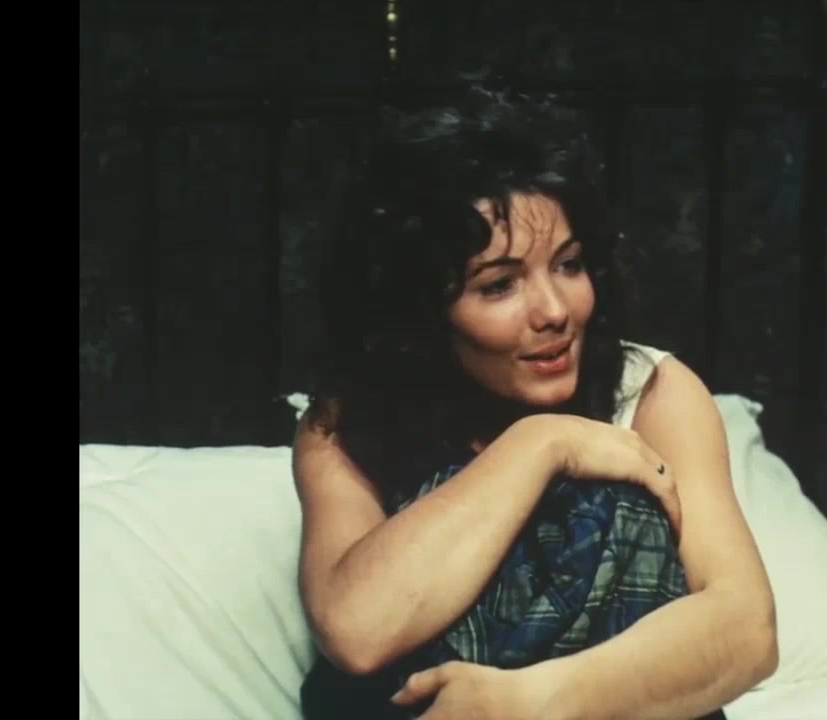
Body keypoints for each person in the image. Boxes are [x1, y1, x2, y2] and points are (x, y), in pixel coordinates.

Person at [292, 86, 777, 720]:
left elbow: (746, 631)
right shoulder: (345, 424)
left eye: (569, 265)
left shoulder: (648, 390)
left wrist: (528, 703)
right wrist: (544, 443)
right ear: (419, 312)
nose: (554, 311)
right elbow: (357, 631)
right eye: (499, 285)